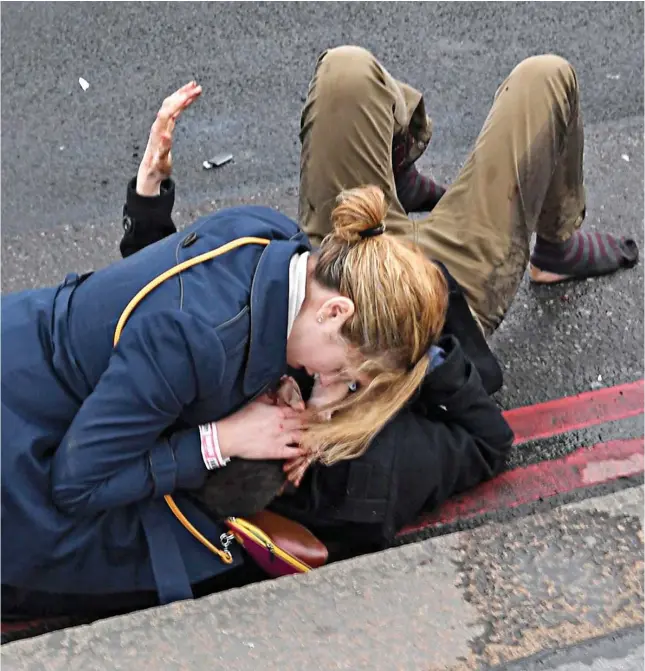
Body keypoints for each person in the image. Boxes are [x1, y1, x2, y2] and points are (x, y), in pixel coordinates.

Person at [2, 80, 513, 620]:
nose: (330, 384)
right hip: (23, 454)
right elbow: (76, 483)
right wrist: (221, 439)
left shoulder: (268, 234)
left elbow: (166, 304)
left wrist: (149, 200)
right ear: (335, 312)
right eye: (344, 372)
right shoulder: (196, 343)